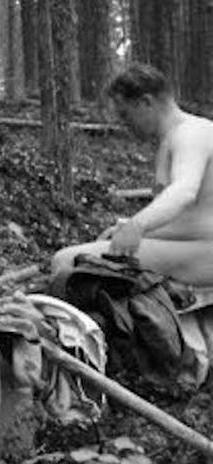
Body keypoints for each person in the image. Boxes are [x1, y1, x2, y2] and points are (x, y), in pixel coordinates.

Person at [49, 62, 213, 295]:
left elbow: (184, 192)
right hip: (195, 247)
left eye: (126, 114)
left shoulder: (190, 134)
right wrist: (127, 228)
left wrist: (138, 226)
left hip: (204, 255)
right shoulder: (181, 135)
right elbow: (191, 219)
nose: (125, 124)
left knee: (66, 261)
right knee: (93, 252)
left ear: (146, 102)